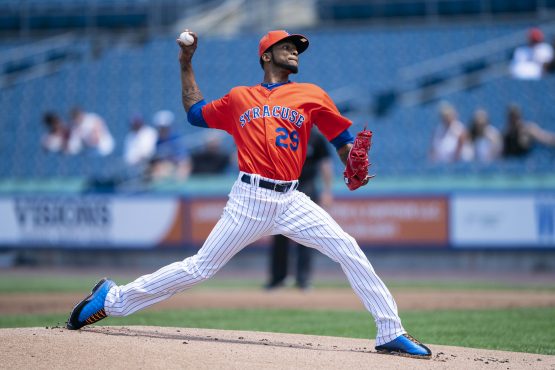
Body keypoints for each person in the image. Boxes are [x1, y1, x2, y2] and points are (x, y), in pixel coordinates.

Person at [66, 29, 432, 359]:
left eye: (297, 48)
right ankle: (111, 298)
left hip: (292, 199)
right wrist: (186, 63)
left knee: (348, 249)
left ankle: (390, 331)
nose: (295, 52)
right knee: (199, 269)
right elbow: (195, 113)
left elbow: (341, 140)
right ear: (266, 56)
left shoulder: (312, 94)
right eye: (286, 47)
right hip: (249, 200)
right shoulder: (240, 97)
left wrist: (353, 162)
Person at [266, 128, 333, 291]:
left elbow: (325, 163)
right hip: (282, 188)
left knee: (307, 235)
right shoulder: (279, 131)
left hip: (307, 187)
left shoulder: (315, 136)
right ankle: (277, 278)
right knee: (278, 234)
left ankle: (303, 279)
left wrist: (327, 190)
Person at [148, 110, 192, 181]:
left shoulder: (176, 138)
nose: (162, 130)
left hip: (177, 165)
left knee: (183, 168)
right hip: (165, 166)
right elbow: (157, 159)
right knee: (157, 171)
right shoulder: (158, 141)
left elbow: (183, 157)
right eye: (160, 128)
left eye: (164, 128)